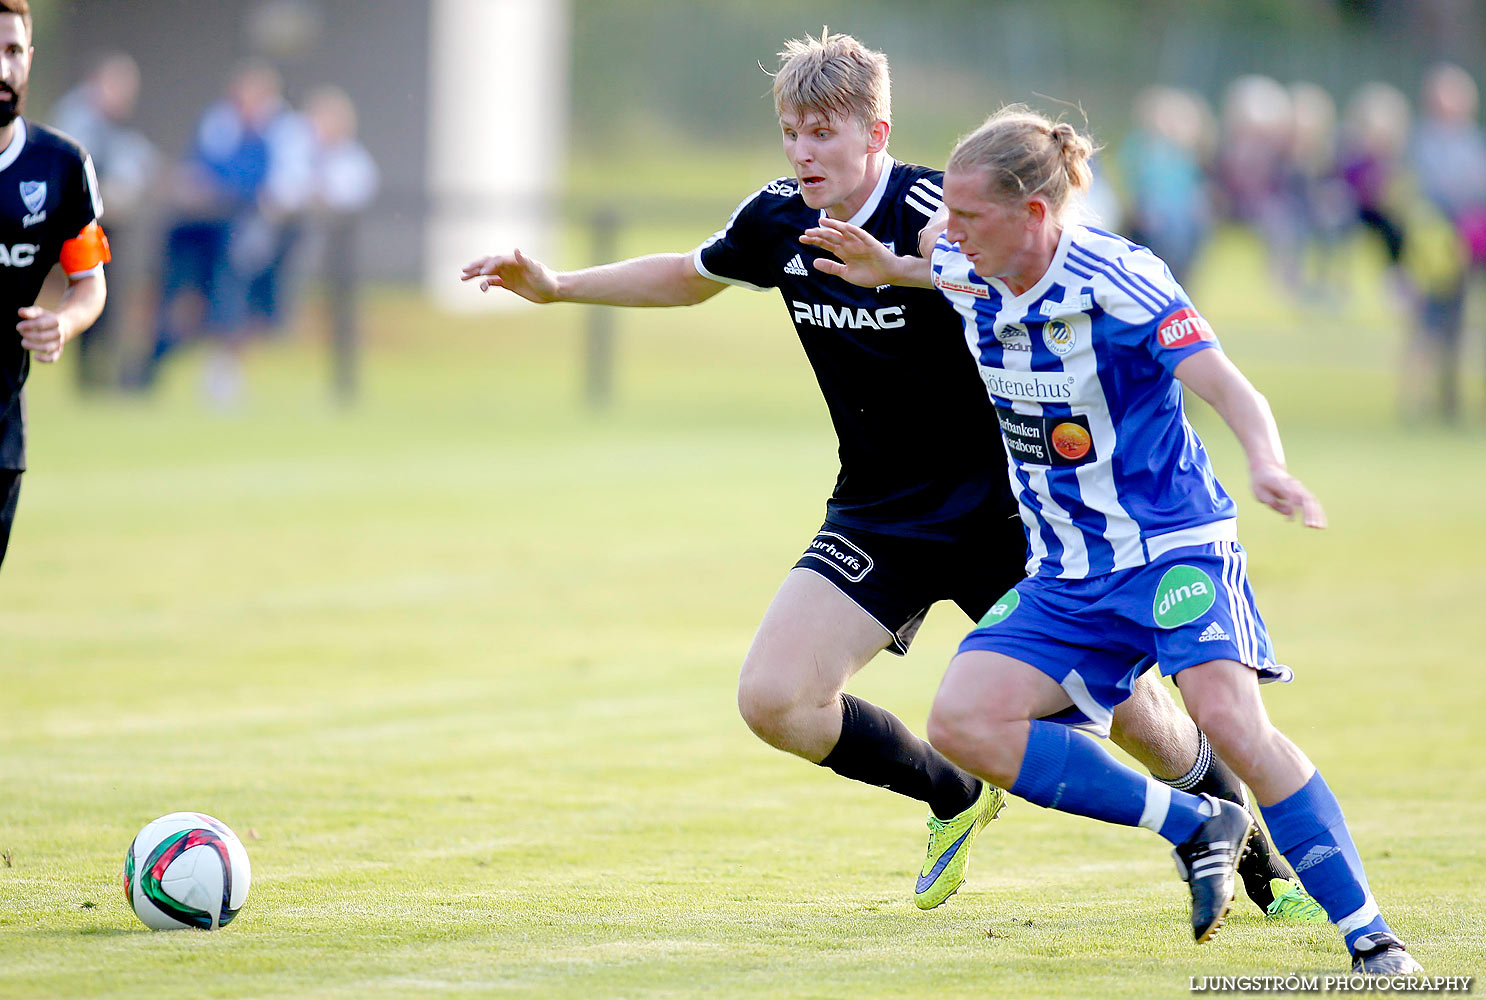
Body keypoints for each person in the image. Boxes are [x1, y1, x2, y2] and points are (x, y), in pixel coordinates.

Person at [461, 31, 1318, 921]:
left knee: (1148, 721)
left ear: (876, 131)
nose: (801, 151)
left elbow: (1053, 282)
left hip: (1014, 515)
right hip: (880, 510)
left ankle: (1258, 861)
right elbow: (687, 276)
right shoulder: (777, 218)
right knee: (775, 701)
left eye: (822, 133)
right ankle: (952, 794)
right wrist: (557, 285)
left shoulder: (946, 211)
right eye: (791, 130)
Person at [800, 105, 1419, 973]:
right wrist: (893, 267)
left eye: (969, 217)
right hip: (1064, 569)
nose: (947, 228)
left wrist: (1268, 465)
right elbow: (939, 268)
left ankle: (1371, 936)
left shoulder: (1119, 277)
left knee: (1228, 720)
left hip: (1172, 545)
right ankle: (1196, 822)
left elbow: (1231, 388)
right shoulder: (958, 254)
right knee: (963, 721)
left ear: (1035, 216)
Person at [0, 0, 110, 571]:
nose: (3, 68)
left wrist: (61, 322)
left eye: (13, 51)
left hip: (0, 435)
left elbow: (89, 284)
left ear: (30, 59)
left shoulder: (61, 167)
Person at [49, 50, 156, 391]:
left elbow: (137, 157)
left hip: (104, 223)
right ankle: (88, 373)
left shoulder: (111, 124)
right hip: (78, 224)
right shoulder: (79, 117)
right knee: (88, 288)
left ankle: (101, 372)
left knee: (105, 293)